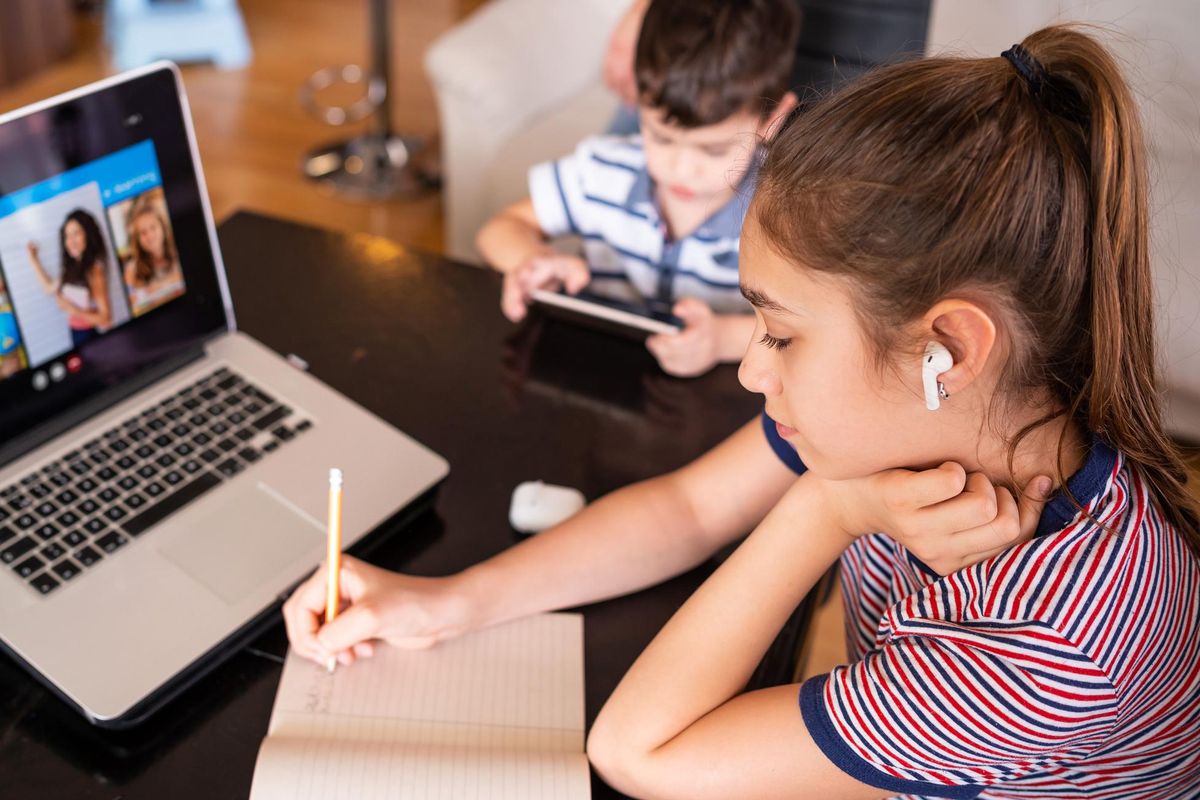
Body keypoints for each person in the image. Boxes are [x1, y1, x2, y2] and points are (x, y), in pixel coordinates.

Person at [285, 24, 1200, 798]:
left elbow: (636, 750)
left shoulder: (1047, 649)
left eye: (782, 334)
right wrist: (445, 604)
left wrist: (828, 510)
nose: (756, 371)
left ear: (946, 349)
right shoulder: (950, 414)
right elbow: (687, 510)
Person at [476, 0, 800, 378]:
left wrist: (722, 339)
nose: (681, 169)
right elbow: (498, 230)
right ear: (639, 105)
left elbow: (809, 328)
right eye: (661, 138)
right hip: (598, 378)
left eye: (713, 150)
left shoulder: (784, 213)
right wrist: (531, 261)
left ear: (771, 119)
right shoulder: (604, 171)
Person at [27, 208, 113, 347]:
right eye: (67, 236)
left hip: (89, 334)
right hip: (75, 332)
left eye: (76, 234)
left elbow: (106, 319)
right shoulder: (71, 267)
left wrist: (71, 309)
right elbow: (49, 288)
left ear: (87, 234)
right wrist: (33, 259)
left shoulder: (94, 270)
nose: (70, 241)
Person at [122, 194, 184, 315]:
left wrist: (162, 285)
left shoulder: (178, 251)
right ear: (137, 239)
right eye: (143, 232)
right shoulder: (132, 270)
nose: (149, 236)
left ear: (162, 227)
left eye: (153, 228)